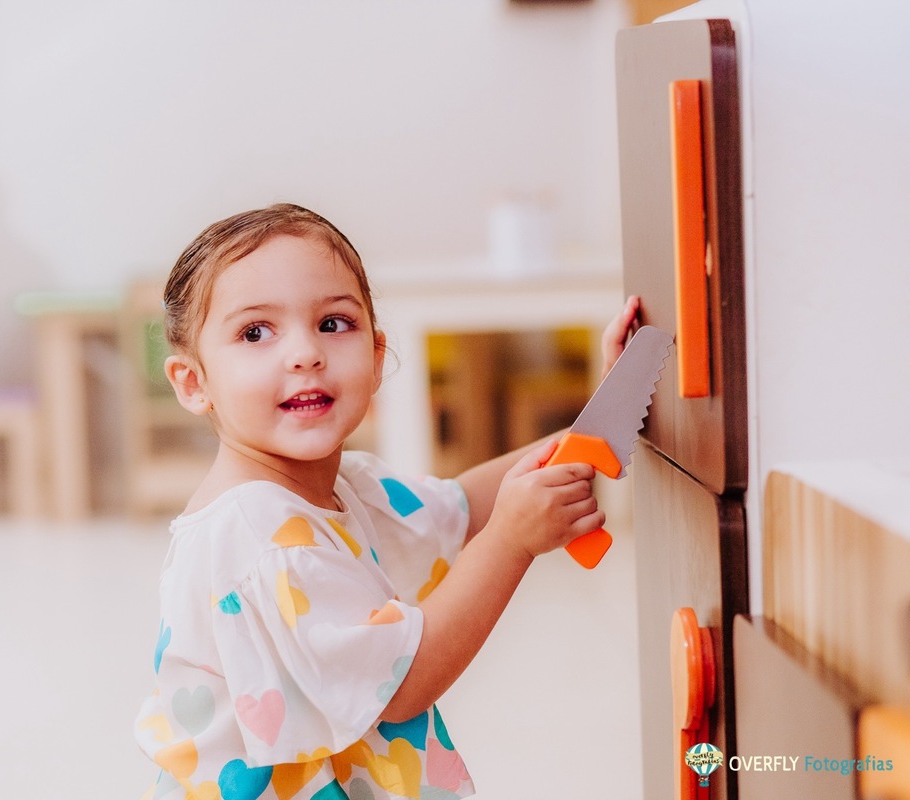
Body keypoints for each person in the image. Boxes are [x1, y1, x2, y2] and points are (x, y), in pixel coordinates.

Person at [134, 203, 640, 799]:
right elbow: (399, 686)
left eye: (333, 323)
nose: (305, 353)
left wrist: (604, 416)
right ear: (194, 383)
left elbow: (460, 505)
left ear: (376, 358)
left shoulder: (343, 486)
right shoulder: (263, 539)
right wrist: (511, 543)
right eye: (255, 333)